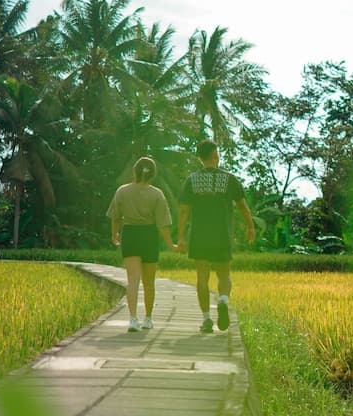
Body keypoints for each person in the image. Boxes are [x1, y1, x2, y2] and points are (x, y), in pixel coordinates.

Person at [177, 139, 256, 333]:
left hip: (199, 236)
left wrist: (180, 237)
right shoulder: (229, 179)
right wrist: (250, 227)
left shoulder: (192, 180)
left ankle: (206, 319)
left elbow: (184, 212)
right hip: (222, 235)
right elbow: (243, 206)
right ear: (215, 155)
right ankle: (223, 299)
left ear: (199, 157)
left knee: (202, 276)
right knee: (224, 274)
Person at [107, 156, 177, 333]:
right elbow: (163, 225)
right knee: (149, 282)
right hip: (149, 236)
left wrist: (114, 235)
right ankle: (148, 319)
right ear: (152, 174)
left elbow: (115, 217)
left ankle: (132, 319)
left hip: (130, 234)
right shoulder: (157, 194)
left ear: (135, 171)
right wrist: (171, 244)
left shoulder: (122, 191)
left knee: (133, 280)